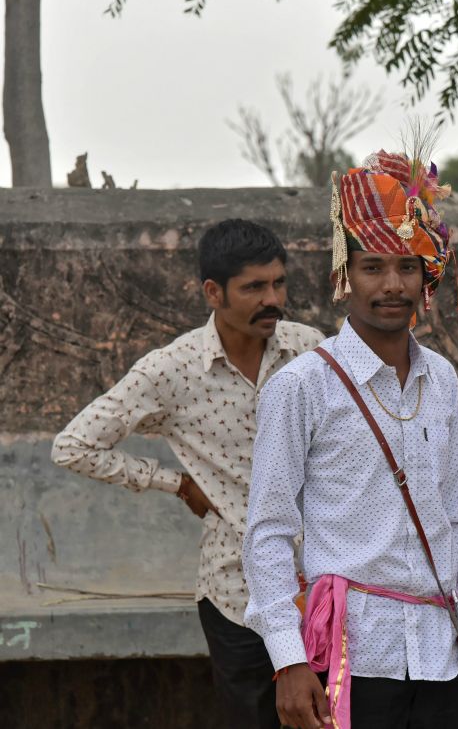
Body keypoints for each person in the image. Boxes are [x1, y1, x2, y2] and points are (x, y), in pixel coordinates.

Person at [242, 149, 458, 729]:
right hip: (349, 657)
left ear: (427, 275)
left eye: (408, 267)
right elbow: (268, 533)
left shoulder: (443, 378)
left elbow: (455, 517)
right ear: (344, 274)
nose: (392, 285)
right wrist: (288, 661)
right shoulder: (301, 385)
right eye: (373, 267)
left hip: (440, 655)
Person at [51, 219, 325, 728]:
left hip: (325, 583)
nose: (272, 299)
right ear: (212, 292)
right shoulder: (170, 371)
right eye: (254, 288)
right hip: (236, 593)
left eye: (279, 283)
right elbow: (73, 446)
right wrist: (173, 482)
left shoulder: (307, 348)